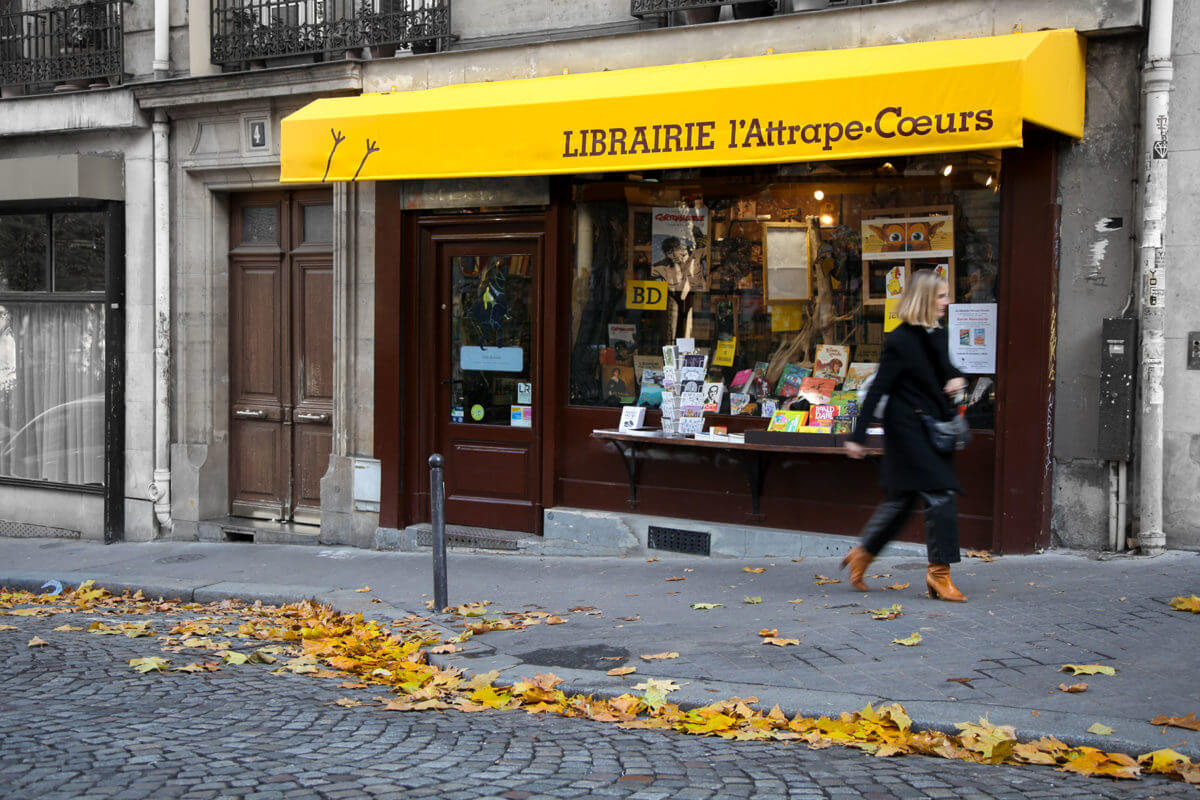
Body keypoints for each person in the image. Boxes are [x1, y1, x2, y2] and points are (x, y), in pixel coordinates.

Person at [841, 270, 969, 602]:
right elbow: (878, 389)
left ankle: (863, 553)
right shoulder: (900, 340)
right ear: (926, 298)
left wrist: (956, 379)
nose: (947, 301)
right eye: (941, 296)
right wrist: (858, 436)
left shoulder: (937, 333)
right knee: (941, 495)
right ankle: (939, 575)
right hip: (908, 431)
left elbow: (946, 369)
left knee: (902, 500)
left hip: (935, 428)